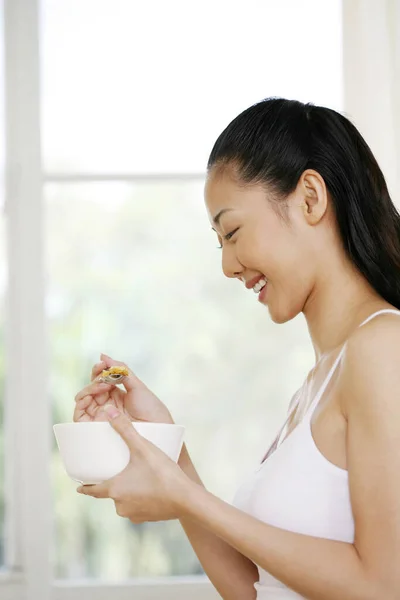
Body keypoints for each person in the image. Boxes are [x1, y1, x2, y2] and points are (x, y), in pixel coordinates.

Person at [73, 97, 400, 599]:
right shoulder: (317, 384)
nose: (227, 265)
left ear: (310, 198)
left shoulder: (383, 346)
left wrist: (182, 495)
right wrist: (171, 454)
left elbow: (383, 585)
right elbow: (256, 589)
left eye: (233, 231)